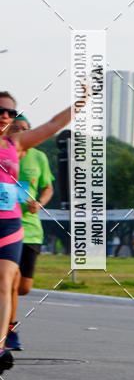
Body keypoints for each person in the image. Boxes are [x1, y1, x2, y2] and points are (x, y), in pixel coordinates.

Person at [0, 91, 87, 373]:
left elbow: (51, 125)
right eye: (1, 110)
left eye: (11, 113)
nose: (5, 116)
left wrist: (78, 105)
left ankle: (1, 344)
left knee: (6, 281)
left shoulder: (17, 143)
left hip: (11, 224)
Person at [4, 115, 55, 351]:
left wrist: (40, 203)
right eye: (16, 128)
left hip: (31, 228)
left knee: (23, 287)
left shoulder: (39, 157)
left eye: (25, 129)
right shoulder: (7, 150)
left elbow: (48, 187)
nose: (21, 132)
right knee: (9, 281)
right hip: (8, 223)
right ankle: (9, 329)